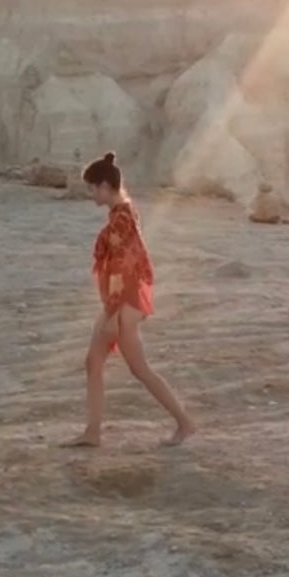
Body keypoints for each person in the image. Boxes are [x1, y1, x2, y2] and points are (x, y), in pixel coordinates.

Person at [66, 153, 197, 448]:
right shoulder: (121, 213)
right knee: (94, 361)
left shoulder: (123, 216)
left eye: (92, 188)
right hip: (120, 300)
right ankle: (93, 432)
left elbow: (122, 267)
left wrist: (113, 313)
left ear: (104, 186)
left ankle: (185, 423)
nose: (90, 194)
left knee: (139, 368)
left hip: (124, 300)